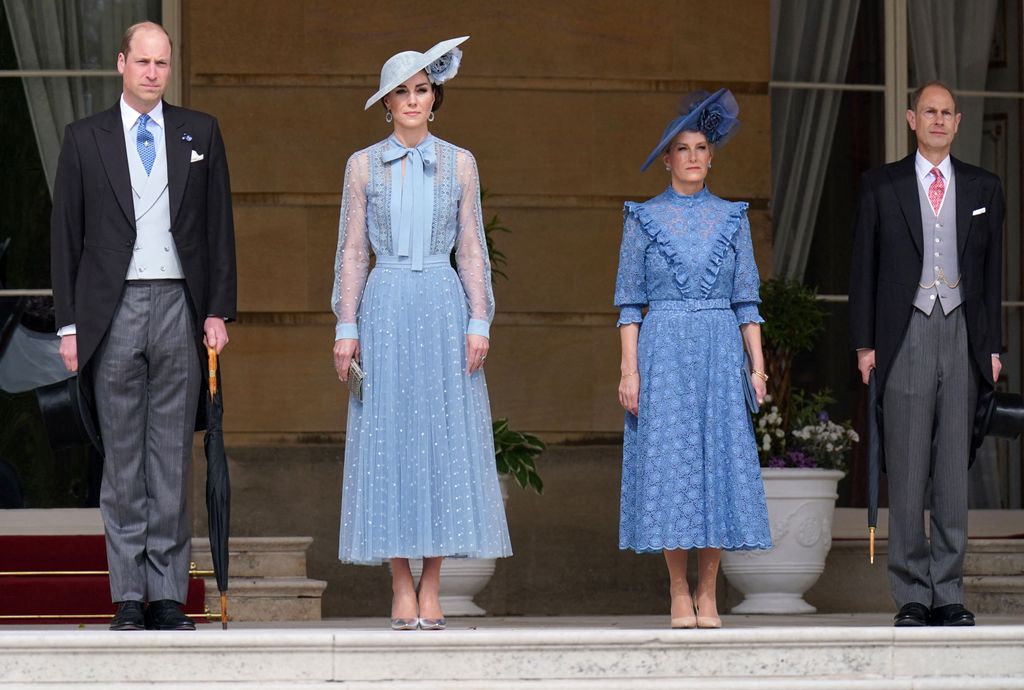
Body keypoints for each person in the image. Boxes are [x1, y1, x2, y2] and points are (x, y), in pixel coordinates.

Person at [51, 21, 237, 631]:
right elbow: (65, 239)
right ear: (121, 64)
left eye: (162, 62)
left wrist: (215, 309)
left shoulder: (200, 131)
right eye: (143, 62)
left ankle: (167, 595)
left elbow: (218, 230)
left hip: (180, 307)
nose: (153, 73)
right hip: (113, 310)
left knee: (171, 460)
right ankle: (128, 595)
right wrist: (69, 326)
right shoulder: (84, 139)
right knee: (122, 460)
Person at [331, 36, 511, 631]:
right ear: (387, 103)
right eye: (402, 91)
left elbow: (472, 248)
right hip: (384, 306)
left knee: (440, 438)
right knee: (387, 439)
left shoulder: (461, 162)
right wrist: (346, 326)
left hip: (441, 303)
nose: (413, 100)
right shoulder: (362, 165)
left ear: (436, 97)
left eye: (423, 89)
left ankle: (432, 585)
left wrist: (479, 318)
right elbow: (353, 252)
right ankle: (399, 584)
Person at [614, 89, 772, 629]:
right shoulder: (642, 218)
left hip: (718, 347)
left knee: (718, 465)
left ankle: (710, 592)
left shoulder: (733, 217)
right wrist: (628, 370)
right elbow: (629, 304)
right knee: (671, 466)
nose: (693, 157)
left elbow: (747, 300)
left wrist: (757, 366)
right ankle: (678, 590)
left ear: (711, 156)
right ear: (667, 158)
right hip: (663, 351)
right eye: (682, 149)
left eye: (701, 147)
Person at [849, 81, 1004, 627]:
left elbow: (992, 275)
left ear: (958, 123)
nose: (938, 120)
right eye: (928, 112)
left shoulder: (984, 186)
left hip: (962, 333)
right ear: (911, 119)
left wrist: (992, 347)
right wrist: (865, 344)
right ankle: (912, 592)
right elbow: (863, 268)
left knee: (952, 473)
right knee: (909, 468)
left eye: (947, 113)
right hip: (905, 334)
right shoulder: (881, 184)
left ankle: (950, 591)